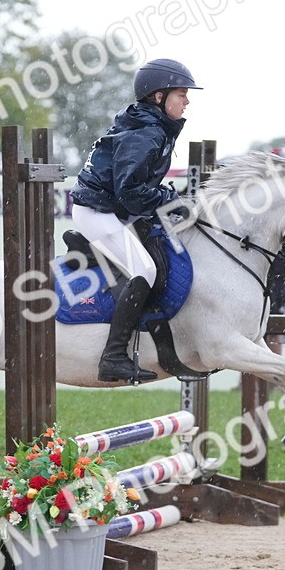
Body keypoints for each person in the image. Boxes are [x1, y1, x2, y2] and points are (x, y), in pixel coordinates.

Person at [70, 58, 202, 383]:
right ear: (159, 96)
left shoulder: (152, 126)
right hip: (98, 213)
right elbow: (130, 192)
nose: (187, 101)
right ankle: (113, 357)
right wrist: (170, 201)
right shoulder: (147, 132)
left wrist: (169, 196)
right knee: (146, 269)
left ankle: (91, 251)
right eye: (181, 94)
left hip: (114, 210)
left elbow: (141, 186)